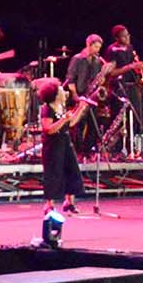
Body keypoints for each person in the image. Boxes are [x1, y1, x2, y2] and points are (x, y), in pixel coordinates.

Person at [33, 76, 89, 212]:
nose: (65, 93)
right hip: (53, 145)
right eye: (61, 91)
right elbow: (48, 129)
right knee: (53, 173)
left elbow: (71, 123)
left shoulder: (61, 107)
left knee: (72, 170)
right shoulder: (47, 109)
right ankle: (49, 204)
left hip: (65, 141)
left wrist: (80, 109)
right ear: (55, 96)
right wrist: (63, 120)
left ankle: (69, 202)